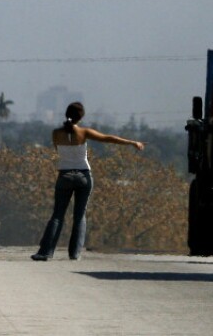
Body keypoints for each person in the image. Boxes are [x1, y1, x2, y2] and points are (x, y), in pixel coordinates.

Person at [31, 102, 144, 261]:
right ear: (81, 117)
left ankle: (45, 252)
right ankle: (75, 253)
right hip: (84, 176)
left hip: (64, 176)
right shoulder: (84, 132)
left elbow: (58, 150)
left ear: (66, 114)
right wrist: (132, 143)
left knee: (57, 215)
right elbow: (108, 138)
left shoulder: (56, 133)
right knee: (79, 215)